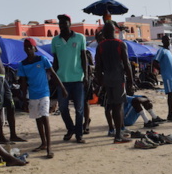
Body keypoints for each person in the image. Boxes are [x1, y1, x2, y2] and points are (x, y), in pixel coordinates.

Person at [18, 39, 68, 159]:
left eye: (31, 47)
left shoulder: (42, 59)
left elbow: (53, 74)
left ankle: (49, 147)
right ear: (24, 49)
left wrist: (62, 88)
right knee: (38, 119)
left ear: (35, 48)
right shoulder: (23, 64)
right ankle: (43, 143)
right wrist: (24, 99)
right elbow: (23, 83)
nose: (29, 49)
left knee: (45, 117)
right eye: (26, 47)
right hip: (32, 95)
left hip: (44, 93)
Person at [94, 21, 135, 143]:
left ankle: (118, 131)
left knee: (112, 106)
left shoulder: (100, 46)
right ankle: (118, 135)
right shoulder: (120, 44)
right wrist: (131, 82)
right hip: (118, 79)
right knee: (118, 107)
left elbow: (98, 67)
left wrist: (100, 83)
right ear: (114, 32)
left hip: (107, 80)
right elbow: (127, 64)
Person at [51, 14, 88, 144]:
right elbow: (55, 61)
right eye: (59, 24)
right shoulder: (55, 40)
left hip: (78, 78)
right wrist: (53, 77)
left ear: (69, 24)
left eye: (64, 23)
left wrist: (87, 76)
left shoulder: (80, 38)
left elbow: (84, 58)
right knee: (63, 108)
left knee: (79, 108)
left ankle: (79, 134)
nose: (61, 26)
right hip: (62, 80)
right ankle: (70, 128)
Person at [153, 35, 172, 122]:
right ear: (163, 41)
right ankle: (170, 114)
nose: (168, 42)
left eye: (169, 40)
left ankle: (171, 113)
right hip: (167, 76)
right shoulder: (161, 50)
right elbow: (155, 62)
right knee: (170, 94)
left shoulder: (168, 51)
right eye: (166, 40)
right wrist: (162, 70)